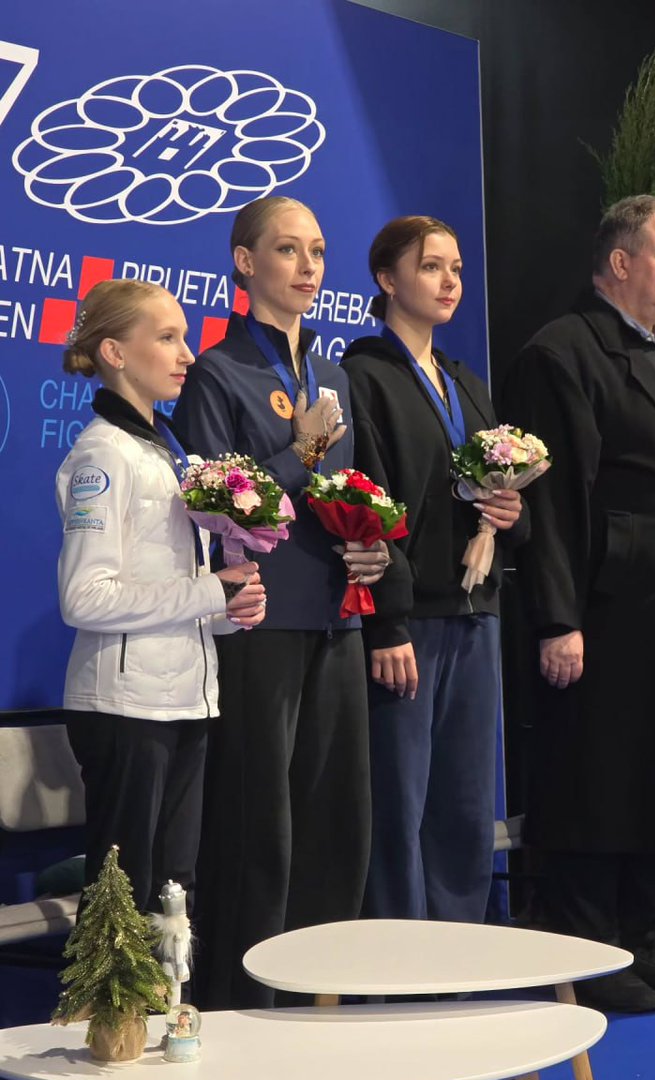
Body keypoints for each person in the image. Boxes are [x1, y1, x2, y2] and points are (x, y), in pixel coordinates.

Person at [57, 278, 267, 1080]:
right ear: (115, 352)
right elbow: (83, 597)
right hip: (125, 706)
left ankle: (170, 1061)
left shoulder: (167, 450)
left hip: (184, 698)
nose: (188, 352)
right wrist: (202, 591)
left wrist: (225, 604)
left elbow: (179, 593)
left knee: (170, 898)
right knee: (126, 897)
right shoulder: (99, 456)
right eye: (169, 336)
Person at [173, 196, 388, 1008]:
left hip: (333, 614)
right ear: (243, 262)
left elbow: (348, 493)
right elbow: (225, 504)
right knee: (257, 826)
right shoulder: (218, 375)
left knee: (337, 818)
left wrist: (368, 544)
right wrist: (299, 452)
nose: (307, 267)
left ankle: (319, 994)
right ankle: (243, 1002)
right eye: (288, 250)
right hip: (257, 623)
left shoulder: (330, 375)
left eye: (318, 251)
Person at [501, 194, 655, 1013]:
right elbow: (557, 501)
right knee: (596, 776)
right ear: (619, 263)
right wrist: (556, 616)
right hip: (604, 604)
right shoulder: (561, 351)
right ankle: (588, 949)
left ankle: (639, 938)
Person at [341, 215, 526, 924]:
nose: (449, 281)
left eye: (454, 268)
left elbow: (510, 492)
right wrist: (387, 621)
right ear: (387, 280)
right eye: (429, 267)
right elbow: (369, 508)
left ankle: (458, 955)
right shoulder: (363, 377)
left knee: (463, 802)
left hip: (476, 614)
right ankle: (396, 964)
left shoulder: (463, 382)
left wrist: (509, 513)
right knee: (400, 801)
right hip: (410, 622)